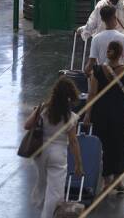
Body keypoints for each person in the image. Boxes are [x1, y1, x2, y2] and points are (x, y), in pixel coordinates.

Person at [83, 41, 124, 193]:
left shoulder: (97, 70)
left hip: (100, 114)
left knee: (104, 146)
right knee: (120, 145)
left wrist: (87, 114)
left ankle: (106, 181)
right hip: (120, 115)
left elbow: (92, 94)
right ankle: (118, 179)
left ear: (108, 52)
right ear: (121, 54)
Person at [26, 77, 84, 218]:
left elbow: (27, 125)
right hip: (58, 155)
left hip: (40, 153)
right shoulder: (70, 117)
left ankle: (40, 204)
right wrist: (78, 164)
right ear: (70, 97)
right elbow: (73, 142)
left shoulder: (43, 110)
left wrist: (36, 113)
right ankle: (47, 214)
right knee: (55, 192)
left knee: (43, 183)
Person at [85, 5, 124, 74]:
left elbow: (91, 63)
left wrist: (85, 72)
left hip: (102, 78)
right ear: (115, 17)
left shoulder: (96, 39)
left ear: (102, 19)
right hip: (121, 77)